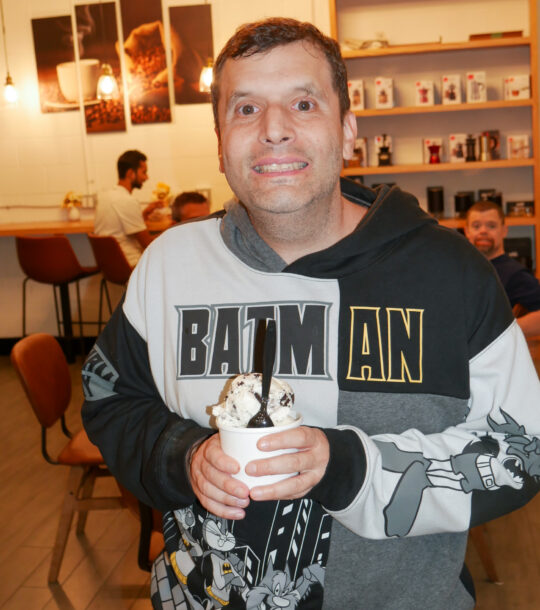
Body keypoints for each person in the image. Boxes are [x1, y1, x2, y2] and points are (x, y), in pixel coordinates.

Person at [81, 18, 540, 610]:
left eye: (303, 103)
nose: (274, 130)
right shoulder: (168, 266)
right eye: (245, 109)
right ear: (220, 141)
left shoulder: (450, 275)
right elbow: (108, 399)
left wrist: (349, 467)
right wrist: (185, 456)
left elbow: (523, 448)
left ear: (347, 130)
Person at [465, 200, 540, 337]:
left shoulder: (515, 274)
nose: (483, 231)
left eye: (491, 226)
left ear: (504, 230)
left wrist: (501, 333)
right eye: (476, 226)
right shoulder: (459, 269)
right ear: (467, 231)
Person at [94, 150, 161, 266]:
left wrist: (145, 213)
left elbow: (122, 226)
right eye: (144, 172)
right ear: (131, 173)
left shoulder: (104, 196)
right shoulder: (127, 201)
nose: (146, 177)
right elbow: (147, 243)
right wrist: (171, 230)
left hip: (109, 266)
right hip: (130, 263)